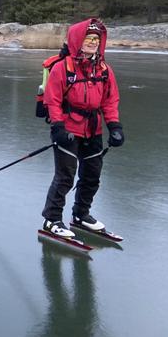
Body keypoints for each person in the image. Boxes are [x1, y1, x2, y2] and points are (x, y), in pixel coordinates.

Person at [41, 18, 124, 238]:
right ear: (78, 40)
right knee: (65, 177)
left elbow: (110, 101)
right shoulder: (63, 68)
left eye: (96, 39)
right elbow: (53, 99)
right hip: (67, 130)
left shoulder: (105, 70)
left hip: (93, 130)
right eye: (88, 38)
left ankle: (80, 215)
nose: (93, 42)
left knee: (92, 176)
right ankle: (52, 219)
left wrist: (114, 126)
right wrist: (58, 127)